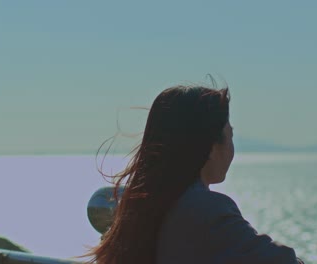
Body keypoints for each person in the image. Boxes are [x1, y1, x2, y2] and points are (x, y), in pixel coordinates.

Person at [84, 84, 304, 264]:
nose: (232, 148)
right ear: (209, 147)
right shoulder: (207, 210)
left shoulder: (138, 208)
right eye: (229, 136)